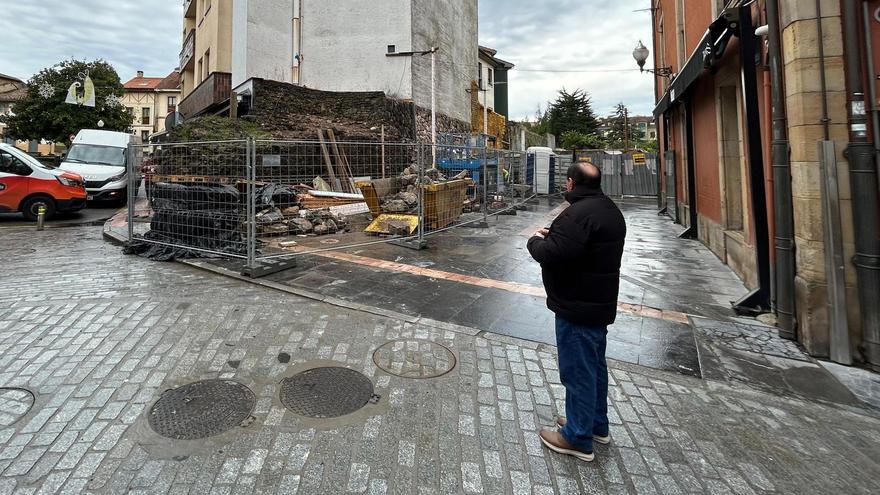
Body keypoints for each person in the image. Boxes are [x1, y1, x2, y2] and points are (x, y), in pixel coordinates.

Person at [527, 161, 627, 462]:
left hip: (577, 304)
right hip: (598, 302)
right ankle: (594, 424)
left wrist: (535, 240)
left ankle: (577, 438)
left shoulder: (578, 214)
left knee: (578, 371)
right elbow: (577, 247)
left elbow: (552, 254)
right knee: (594, 367)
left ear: (571, 183)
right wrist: (558, 236)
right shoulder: (609, 210)